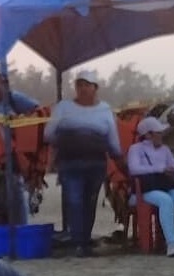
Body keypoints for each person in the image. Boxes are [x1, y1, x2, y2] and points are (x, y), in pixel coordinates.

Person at [44, 69, 126, 257]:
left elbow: (113, 140)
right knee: (74, 201)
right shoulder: (63, 107)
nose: (82, 88)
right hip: (70, 163)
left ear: (95, 88)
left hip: (96, 164)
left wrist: (119, 159)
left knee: (90, 202)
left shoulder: (105, 109)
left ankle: (85, 240)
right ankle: (77, 243)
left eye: (86, 85)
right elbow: (48, 134)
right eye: (79, 84)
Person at [127, 117, 174, 256]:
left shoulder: (165, 149)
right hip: (145, 191)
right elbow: (134, 169)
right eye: (158, 132)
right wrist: (160, 168)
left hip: (164, 186)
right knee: (165, 200)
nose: (162, 135)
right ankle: (171, 243)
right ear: (148, 135)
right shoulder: (135, 149)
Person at [0, 71, 41, 224]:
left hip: (17, 160)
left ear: (5, 85)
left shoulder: (15, 99)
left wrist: (21, 122)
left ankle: (21, 230)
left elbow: (38, 112)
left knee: (17, 199)